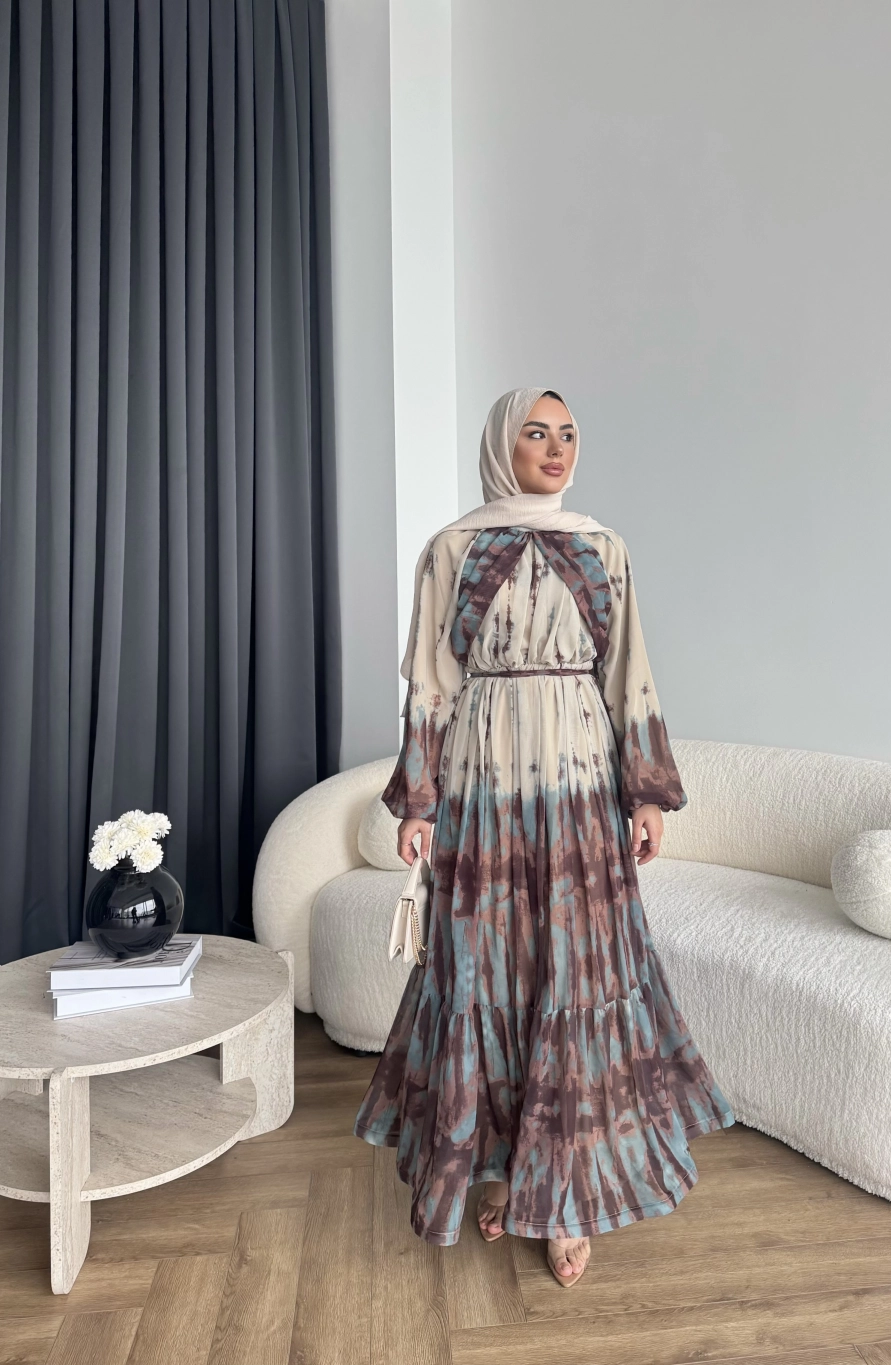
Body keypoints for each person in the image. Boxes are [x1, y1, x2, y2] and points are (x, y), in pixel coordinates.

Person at [353, 387, 736, 1287]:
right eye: (537, 433)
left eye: (567, 435)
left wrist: (646, 793)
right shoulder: (452, 549)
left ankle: (565, 1196)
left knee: (575, 970)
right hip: (482, 785)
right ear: (502, 446)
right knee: (489, 970)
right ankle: (505, 1170)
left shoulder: (603, 547)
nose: (556, 449)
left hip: (578, 782)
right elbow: (430, 686)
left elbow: (630, 672)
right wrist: (418, 801)